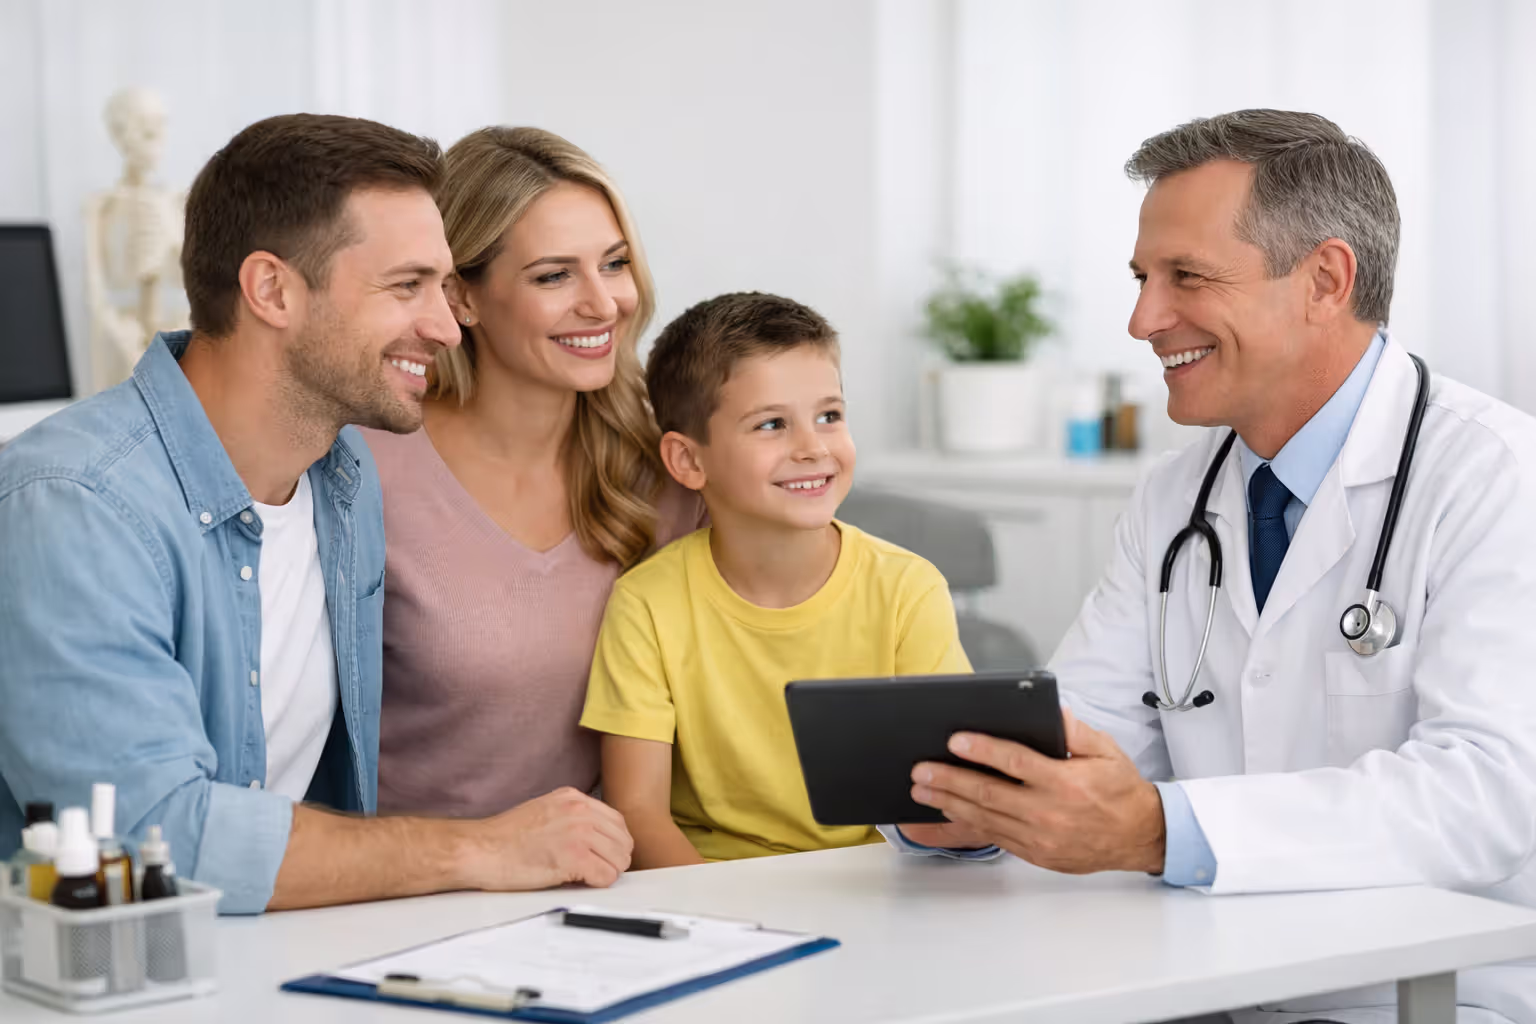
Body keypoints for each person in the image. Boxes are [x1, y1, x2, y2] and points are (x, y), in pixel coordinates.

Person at [894, 109, 1536, 1022]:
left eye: (1185, 277)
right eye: (1142, 279)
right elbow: (1084, 726)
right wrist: (968, 804)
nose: (1142, 319)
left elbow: (1484, 796)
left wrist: (1159, 830)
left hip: (1427, 995)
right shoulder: (1173, 499)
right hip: (1204, 978)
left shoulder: (1497, 478)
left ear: (1325, 279)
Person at [0, 114, 631, 915]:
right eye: (406, 287)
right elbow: (148, 837)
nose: (444, 325)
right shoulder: (71, 505)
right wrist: (483, 846)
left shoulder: (343, 478)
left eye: (442, 288)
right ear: (272, 291)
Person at [360, 127, 702, 820]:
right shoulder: (367, 464)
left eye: (614, 263)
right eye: (554, 276)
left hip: (621, 889)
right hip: (419, 897)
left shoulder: (670, 458)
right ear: (461, 298)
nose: (603, 304)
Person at [580, 292, 972, 867]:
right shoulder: (646, 603)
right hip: (709, 892)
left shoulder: (908, 589)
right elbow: (638, 813)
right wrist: (731, 926)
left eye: (829, 416)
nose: (813, 448)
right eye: (771, 424)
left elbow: (946, 799)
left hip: (873, 883)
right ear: (689, 461)